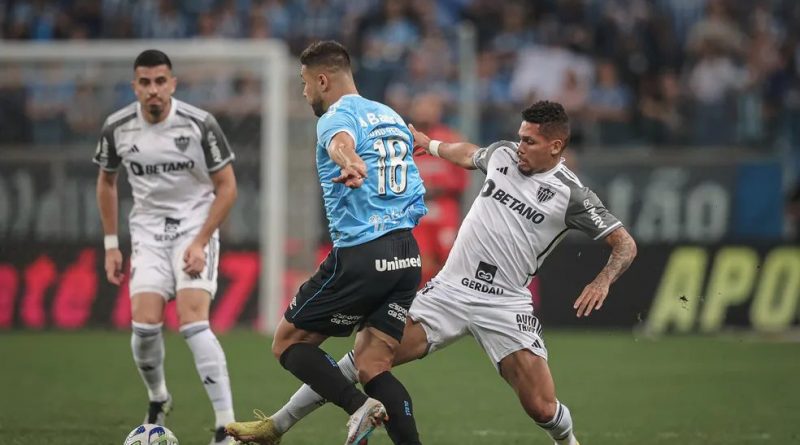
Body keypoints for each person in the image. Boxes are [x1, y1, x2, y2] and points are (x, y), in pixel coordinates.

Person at [230, 101, 638, 445]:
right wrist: (431, 144)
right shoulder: (504, 156)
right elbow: (470, 154)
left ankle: (568, 442)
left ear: (556, 145)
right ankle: (277, 426)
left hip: (506, 303)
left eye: (529, 141)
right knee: (367, 358)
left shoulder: (572, 195)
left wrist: (602, 279)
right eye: (519, 137)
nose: (519, 147)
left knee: (541, 407)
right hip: (449, 290)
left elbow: (624, 243)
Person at [225, 41, 427, 445]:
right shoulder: (389, 115)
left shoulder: (336, 115)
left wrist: (348, 160)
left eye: (304, 83)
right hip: (406, 256)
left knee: (287, 342)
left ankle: (358, 408)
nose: (304, 93)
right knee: (373, 365)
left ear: (322, 79)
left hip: (364, 254)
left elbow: (340, 143)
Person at [94, 49, 238, 445]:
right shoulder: (117, 127)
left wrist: (201, 240)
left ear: (172, 84)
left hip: (194, 228)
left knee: (193, 321)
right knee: (143, 327)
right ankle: (158, 397)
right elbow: (106, 182)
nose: (153, 90)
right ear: (135, 86)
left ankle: (226, 426)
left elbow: (227, 187)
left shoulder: (199, 124)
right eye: (145, 82)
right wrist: (111, 245)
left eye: (160, 81)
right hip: (148, 235)